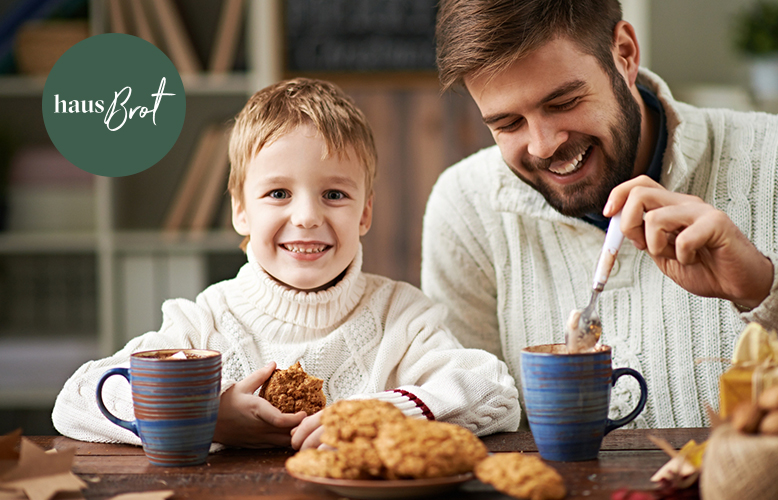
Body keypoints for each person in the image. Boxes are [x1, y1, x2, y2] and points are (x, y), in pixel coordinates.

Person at [421, 0, 778, 428]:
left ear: (624, 53)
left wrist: (763, 286)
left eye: (563, 103)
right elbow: (468, 426)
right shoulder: (466, 209)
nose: (543, 146)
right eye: (507, 124)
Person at [53, 78, 520, 449]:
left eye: (334, 194)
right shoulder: (205, 322)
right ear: (241, 209)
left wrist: (379, 416)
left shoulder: (402, 317)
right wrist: (206, 418)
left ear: (365, 212)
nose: (307, 216)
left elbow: (495, 394)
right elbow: (76, 399)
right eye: (278, 193)